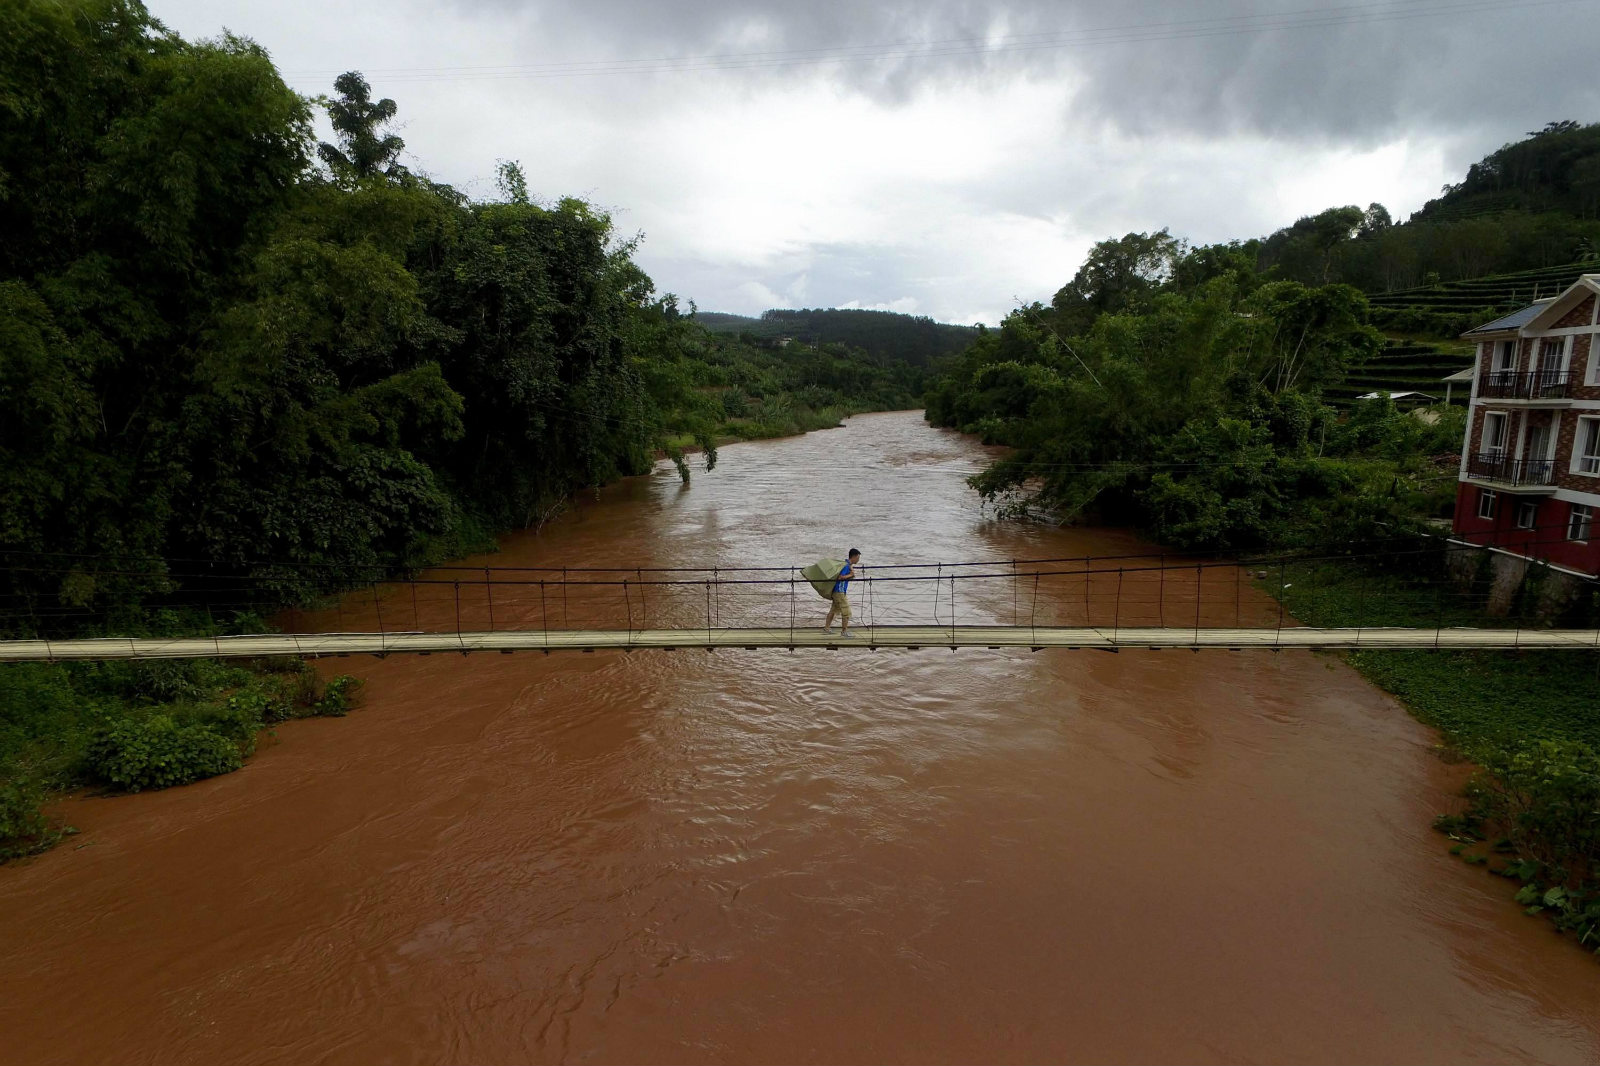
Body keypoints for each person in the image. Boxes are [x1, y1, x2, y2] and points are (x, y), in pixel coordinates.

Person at [823, 548, 862, 638]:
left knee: (833, 610)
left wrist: (851, 573)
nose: (858, 560)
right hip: (839, 592)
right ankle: (844, 632)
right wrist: (851, 574)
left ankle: (826, 628)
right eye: (858, 558)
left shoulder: (846, 564)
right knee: (847, 612)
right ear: (854, 556)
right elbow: (840, 577)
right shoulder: (845, 566)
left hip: (836, 591)